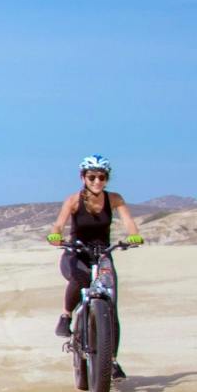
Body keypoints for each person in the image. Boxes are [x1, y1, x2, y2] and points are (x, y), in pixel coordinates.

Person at [47, 155, 144, 378]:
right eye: (92, 177)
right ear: (83, 177)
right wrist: (56, 235)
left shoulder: (114, 199)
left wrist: (134, 236)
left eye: (102, 177)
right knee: (79, 278)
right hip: (77, 251)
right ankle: (66, 316)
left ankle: (111, 361)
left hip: (102, 253)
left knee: (110, 305)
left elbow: (128, 222)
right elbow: (59, 223)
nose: (97, 181)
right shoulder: (73, 200)